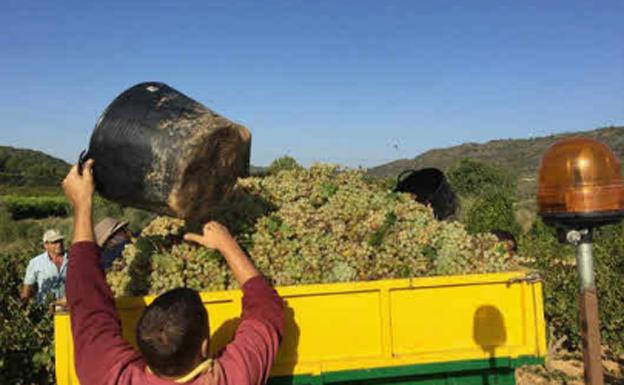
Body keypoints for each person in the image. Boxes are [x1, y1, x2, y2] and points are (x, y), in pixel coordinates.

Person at [62, 159, 285, 385]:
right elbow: (267, 310)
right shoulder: (234, 377)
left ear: (140, 348)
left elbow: (87, 302)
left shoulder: (112, 377)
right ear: (205, 346)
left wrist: (82, 204)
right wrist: (228, 246)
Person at [21, 228, 68, 303]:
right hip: (46, 309)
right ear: (46, 245)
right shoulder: (35, 262)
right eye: (54, 242)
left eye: (60, 241)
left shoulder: (73, 259)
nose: (59, 244)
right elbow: (27, 287)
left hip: (69, 308)